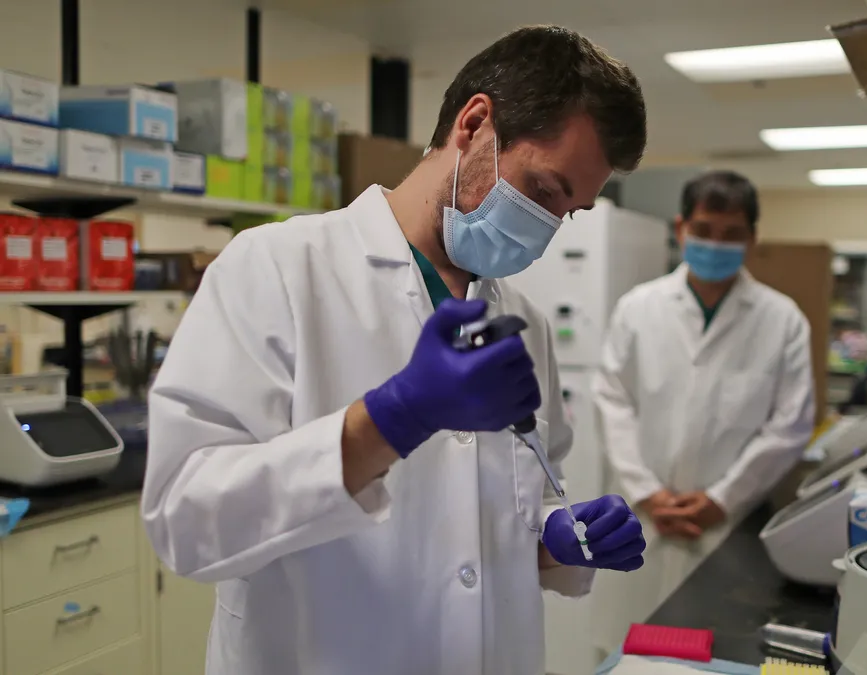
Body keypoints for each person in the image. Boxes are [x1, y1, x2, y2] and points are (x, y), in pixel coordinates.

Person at [142, 26, 648, 675]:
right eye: (545, 191)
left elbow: (504, 512)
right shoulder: (275, 269)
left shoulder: (522, 321)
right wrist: (390, 418)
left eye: (569, 212)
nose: (546, 228)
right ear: (474, 124)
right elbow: (187, 520)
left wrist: (556, 536)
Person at [590, 170, 816, 650]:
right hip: (642, 520)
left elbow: (791, 426)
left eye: (731, 235)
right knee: (629, 656)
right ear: (681, 229)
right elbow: (612, 401)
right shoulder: (638, 309)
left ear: (752, 238)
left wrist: (722, 498)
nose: (716, 244)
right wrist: (648, 493)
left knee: (712, 657)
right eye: (705, 230)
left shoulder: (782, 321)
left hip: (724, 531)